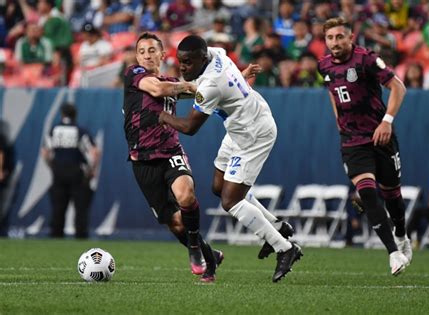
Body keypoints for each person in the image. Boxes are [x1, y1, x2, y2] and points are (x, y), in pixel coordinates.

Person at [159, 35, 302, 283]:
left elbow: (190, 127)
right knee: (218, 187)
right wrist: (241, 76)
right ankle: (278, 227)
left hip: (253, 134)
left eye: (188, 63)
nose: (182, 67)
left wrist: (162, 116)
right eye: (180, 61)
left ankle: (285, 248)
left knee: (230, 201)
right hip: (239, 127)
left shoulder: (210, 86)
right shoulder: (216, 53)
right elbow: (226, 69)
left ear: (202, 59)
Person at [122, 32, 223, 283]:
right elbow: (158, 88)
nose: (146, 55)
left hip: (170, 152)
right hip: (142, 159)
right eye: (142, 51)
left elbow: (204, 92)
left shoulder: (171, 81)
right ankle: (205, 251)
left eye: (152, 50)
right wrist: (188, 85)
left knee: (185, 195)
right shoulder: (134, 75)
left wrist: (235, 80)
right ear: (137, 56)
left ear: (162, 54)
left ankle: (196, 249)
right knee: (175, 223)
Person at [317, 17, 411, 276]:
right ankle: (393, 252)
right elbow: (331, 90)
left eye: (339, 37)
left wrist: (387, 122)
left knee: (391, 193)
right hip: (352, 141)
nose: (334, 42)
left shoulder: (367, 59)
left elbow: (398, 87)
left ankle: (402, 235)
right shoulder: (323, 65)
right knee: (367, 192)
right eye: (330, 38)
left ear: (351, 37)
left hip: (380, 136)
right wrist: (338, 119)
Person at [41, 103, 99, 239]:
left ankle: (56, 235)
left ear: (62, 114)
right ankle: (80, 236)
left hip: (59, 171)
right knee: (80, 207)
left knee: (58, 207)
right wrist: (91, 169)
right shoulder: (79, 130)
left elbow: (45, 152)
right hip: (76, 170)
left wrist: (51, 166)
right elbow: (94, 152)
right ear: (75, 114)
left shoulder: (54, 130)